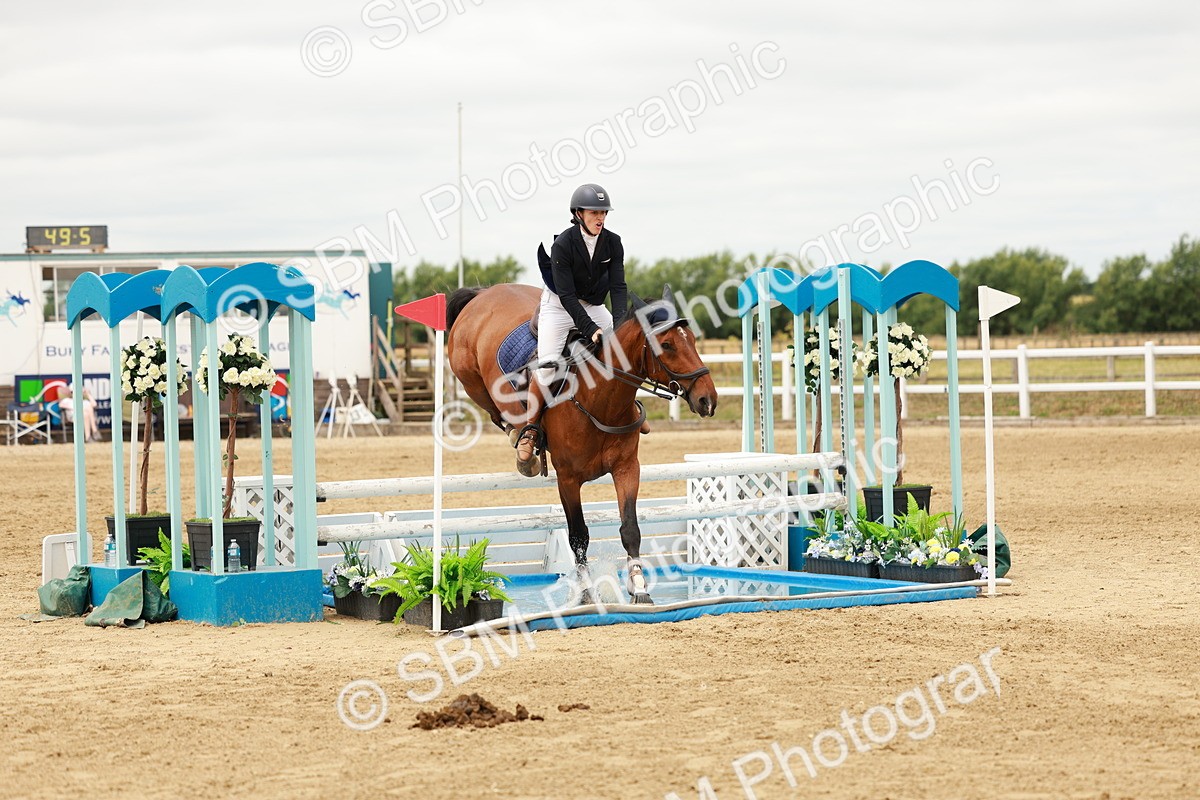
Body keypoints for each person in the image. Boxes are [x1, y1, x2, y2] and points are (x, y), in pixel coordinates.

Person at [515, 183, 627, 475]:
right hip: (558, 307)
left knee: (621, 351)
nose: (600, 217)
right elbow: (566, 296)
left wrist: (621, 325)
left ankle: (628, 407)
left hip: (592, 305)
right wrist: (591, 330)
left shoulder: (613, 242)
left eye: (603, 212)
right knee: (547, 367)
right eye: (594, 212)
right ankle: (530, 428)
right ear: (578, 213)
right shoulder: (563, 244)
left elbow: (618, 287)